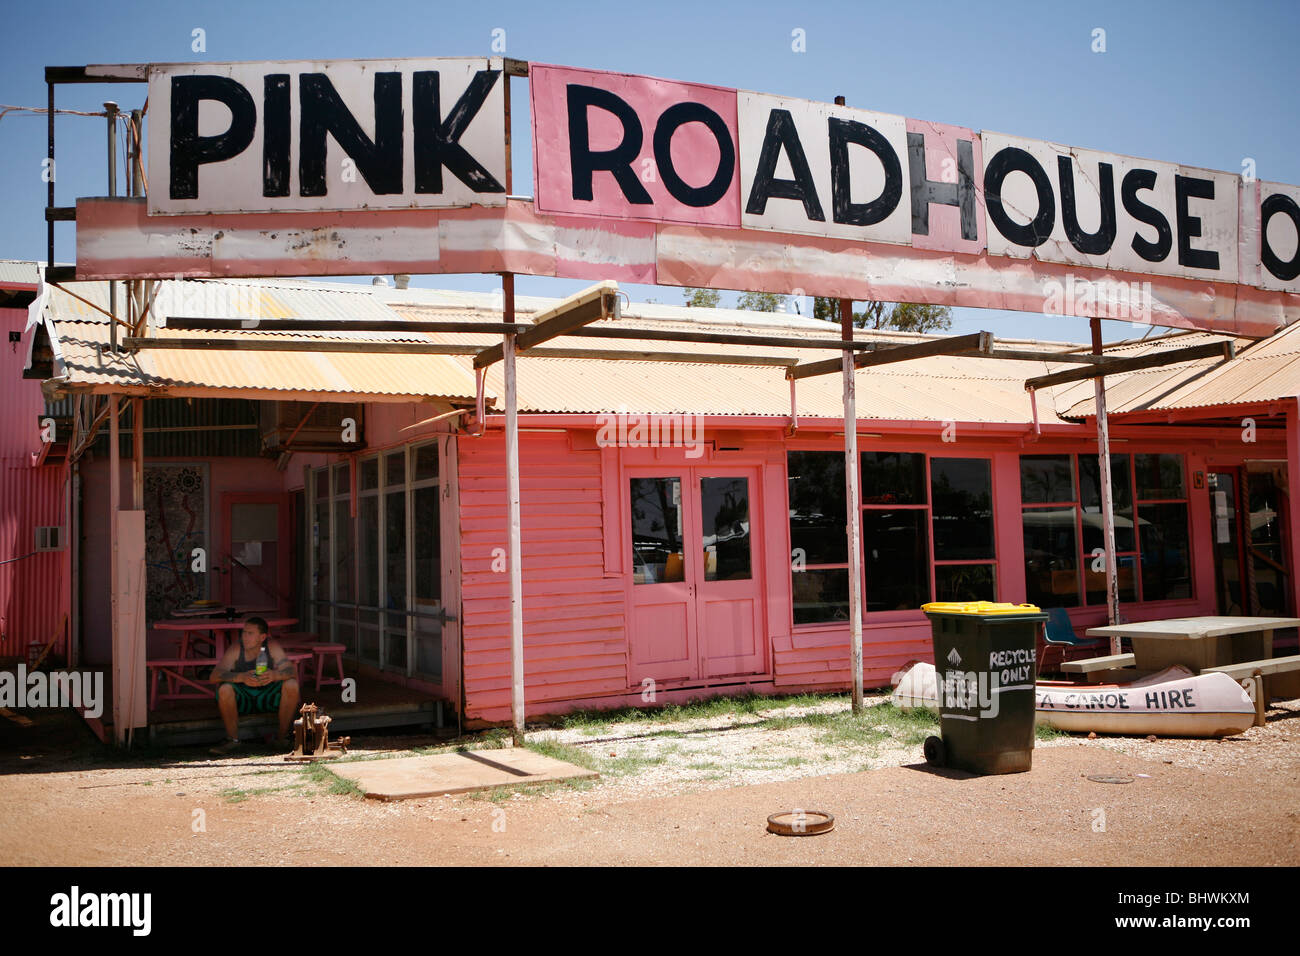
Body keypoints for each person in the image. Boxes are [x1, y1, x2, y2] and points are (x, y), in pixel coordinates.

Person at [208, 616, 300, 755]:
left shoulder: (271, 646)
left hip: (265, 696)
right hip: (243, 699)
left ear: (262, 637)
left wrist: (275, 675)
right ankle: (233, 741)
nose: (245, 636)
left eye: (250, 633)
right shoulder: (236, 648)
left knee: (292, 684)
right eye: (244, 632)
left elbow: (291, 671)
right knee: (225, 689)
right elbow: (214, 676)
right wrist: (241, 677)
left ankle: (282, 738)